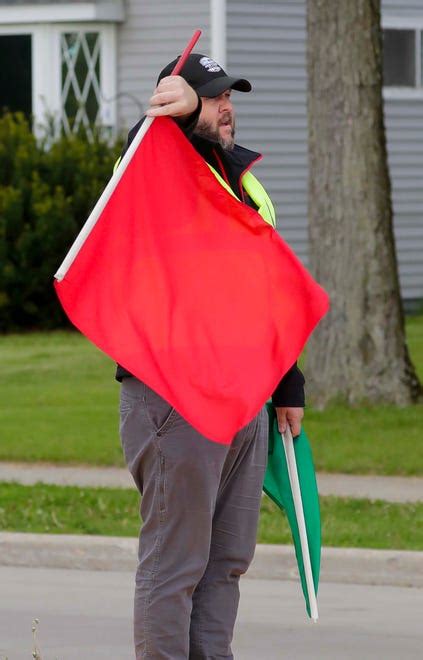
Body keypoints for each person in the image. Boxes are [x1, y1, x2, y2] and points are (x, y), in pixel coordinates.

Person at [118, 53, 305, 660]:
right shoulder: (155, 167)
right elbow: (144, 151)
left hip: (244, 393)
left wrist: (288, 383)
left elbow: (267, 288)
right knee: (177, 564)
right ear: (179, 105)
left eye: (230, 96)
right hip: (177, 394)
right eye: (213, 97)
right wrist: (181, 112)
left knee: (225, 562)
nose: (227, 106)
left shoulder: (241, 182)